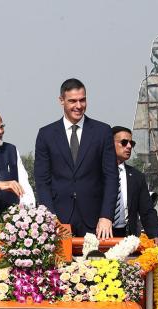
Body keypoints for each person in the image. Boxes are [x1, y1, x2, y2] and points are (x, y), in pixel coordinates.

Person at [33, 78, 119, 238]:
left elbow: (111, 177)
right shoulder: (46, 134)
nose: (78, 106)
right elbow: (42, 181)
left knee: (97, 263)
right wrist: (50, 218)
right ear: (61, 101)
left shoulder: (102, 131)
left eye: (82, 100)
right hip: (59, 220)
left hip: (96, 221)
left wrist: (106, 216)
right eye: (72, 101)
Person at [110, 126, 158, 243]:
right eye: (124, 142)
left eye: (131, 143)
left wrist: (155, 235)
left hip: (128, 239)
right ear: (110, 144)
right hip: (101, 237)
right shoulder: (96, 173)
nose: (129, 146)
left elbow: (147, 210)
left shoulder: (137, 176)